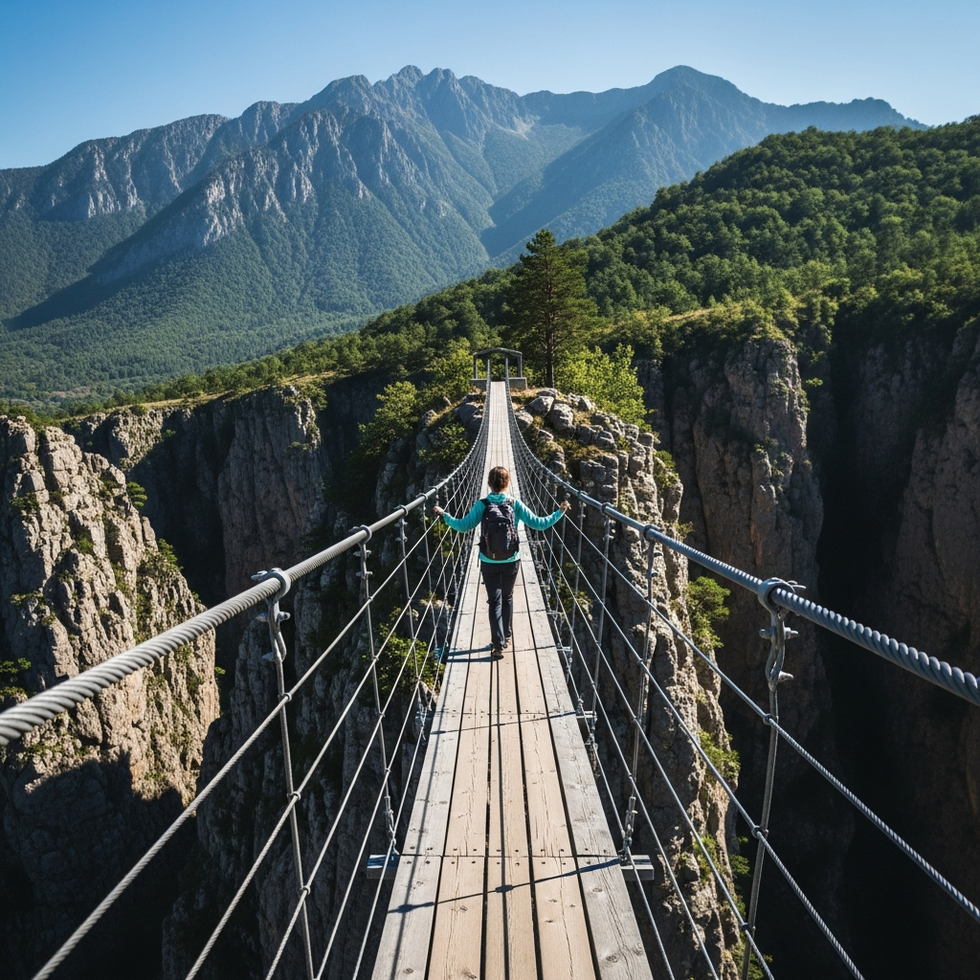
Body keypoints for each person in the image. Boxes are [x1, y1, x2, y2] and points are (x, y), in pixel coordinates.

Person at [433, 466, 570, 659]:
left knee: (494, 601)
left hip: (489, 561)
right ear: (508, 483)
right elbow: (540, 524)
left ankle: (497, 644)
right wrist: (560, 512)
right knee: (507, 598)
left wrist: (443, 515)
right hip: (511, 560)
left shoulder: (482, 505)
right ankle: (506, 635)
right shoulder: (515, 504)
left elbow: (462, 526)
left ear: (488, 484)